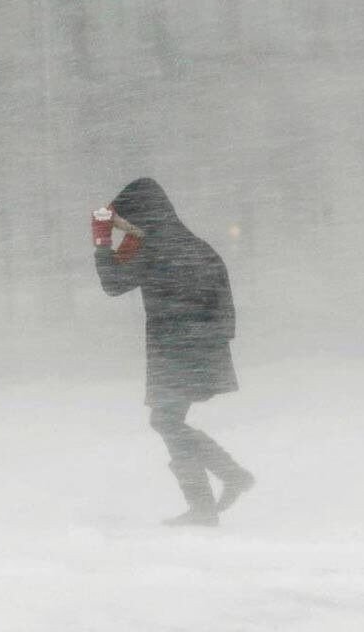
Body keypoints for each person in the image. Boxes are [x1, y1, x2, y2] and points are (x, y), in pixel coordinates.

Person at [92, 178, 253, 526]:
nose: (128, 225)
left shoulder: (151, 247)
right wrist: (213, 342)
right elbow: (226, 307)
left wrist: (103, 241)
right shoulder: (196, 245)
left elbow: (112, 284)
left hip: (175, 350)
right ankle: (222, 487)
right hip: (202, 350)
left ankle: (212, 499)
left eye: (129, 217)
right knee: (169, 421)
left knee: (165, 420)